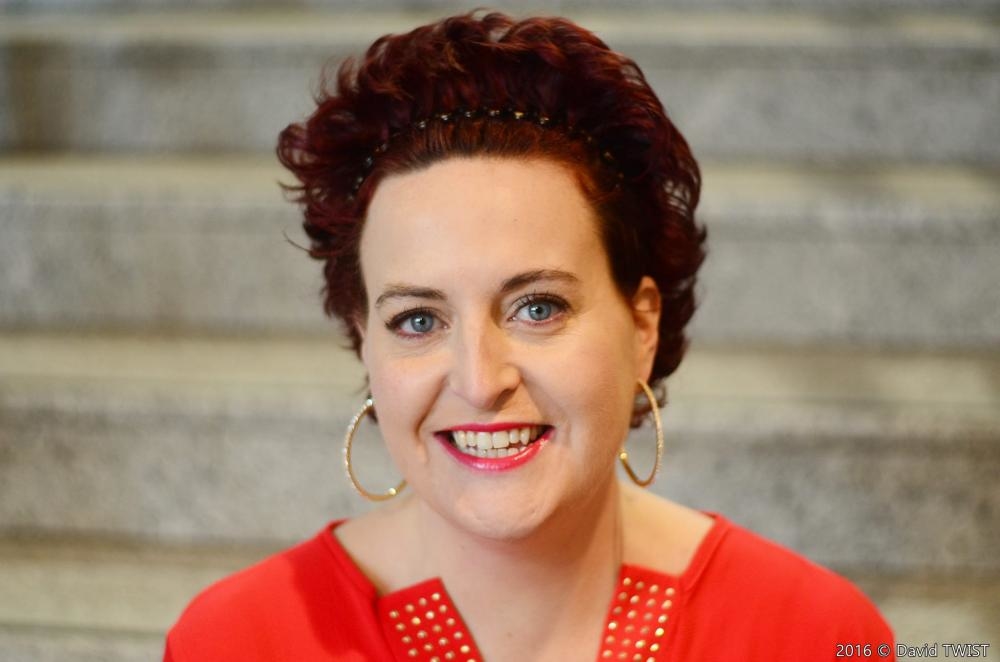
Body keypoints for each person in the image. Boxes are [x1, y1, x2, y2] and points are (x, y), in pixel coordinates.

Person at [164, 11, 894, 661]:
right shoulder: (235, 643)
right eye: (418, 320)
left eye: (537, 308)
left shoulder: (817, 635)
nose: (480, 381)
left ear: (642, 325)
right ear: (365, 344)